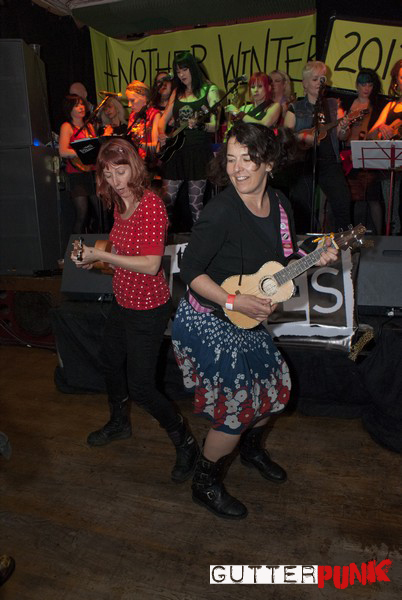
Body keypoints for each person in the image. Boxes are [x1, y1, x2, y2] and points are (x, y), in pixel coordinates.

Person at [171, 122, 338, 519]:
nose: (238, 169)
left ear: (269, 163)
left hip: (242, 318)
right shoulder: (220, 212)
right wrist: (234, 300)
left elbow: (281, 264)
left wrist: (316, 258)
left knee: (275, 390)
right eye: (231, 160)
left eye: (248, 159)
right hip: (207, 318)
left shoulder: (280, 205)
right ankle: (204, 483)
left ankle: (249, 450)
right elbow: (189, 272)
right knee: (238, 407)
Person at [70, 138, 199, 483]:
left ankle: (185, 441)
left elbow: (151, 264)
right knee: (111, 361)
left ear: (134, 168)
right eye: (108, 173)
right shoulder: (119, 204)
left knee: (141, 387)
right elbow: (121, 257)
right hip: (123, 301)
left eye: (121, 170)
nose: (115, 180)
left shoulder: (150, 204)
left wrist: (100, 254)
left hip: (148, 309)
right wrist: (95, 261)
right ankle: (119, 423)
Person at [284, 60, 352, 234]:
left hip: (329, 162)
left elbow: (342, 136)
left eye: (322, 79)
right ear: (305, 83)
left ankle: (345, 245)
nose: (319, 83)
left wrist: (344, 129)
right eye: (315, 79)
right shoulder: (295, 108)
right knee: (301, 207)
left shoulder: (333, 105)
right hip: (303, 163)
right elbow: (286, 137)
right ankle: (304, 244)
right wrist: (303, 137)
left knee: (342, 203)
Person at [158, 51, 220, 227]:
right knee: (166, 202)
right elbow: (163, 120)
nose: (181, 75)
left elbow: (215, 124)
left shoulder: (210, 90)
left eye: (184, 70)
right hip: (176, 152)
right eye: (178, 71)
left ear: (193, 68)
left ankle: (199, 240)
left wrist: (201, 125)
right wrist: (162, 134)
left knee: (195, 204)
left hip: (197, 151)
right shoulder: (177, 92)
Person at [341, 69, 385, 233]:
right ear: (357, 85)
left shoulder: (377, 106)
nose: (366, 88)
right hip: (347, 153)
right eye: (363, 84)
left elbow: (376, 132)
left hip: (367, 152)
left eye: (370, 85)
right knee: (349, 196)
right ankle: (349, 234)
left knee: (373, 197)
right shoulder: (348, 104)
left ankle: (380, 235)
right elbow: (341, 133)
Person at [59, 94, 101, 234]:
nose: (81, 107)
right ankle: (76, 244)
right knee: (82, 213)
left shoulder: (89, 126)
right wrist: (81, 152)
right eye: (76, 105)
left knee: (101, 211)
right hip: (76, 174)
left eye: (82, 104)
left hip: (92, 173)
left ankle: (100, 241)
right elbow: (63, 151)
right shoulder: (67, 126)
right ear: (69, 109)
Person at [368, 59, 402, 235]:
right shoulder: (390, 106)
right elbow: (370, 135)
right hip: (391, 168)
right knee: (392, 213)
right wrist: (382, 127)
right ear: (396, 82)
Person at [125, 80, 160, 163]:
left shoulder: (155, 115)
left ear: (144, 98)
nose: (129, 105)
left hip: (148, 162)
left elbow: (156, 147)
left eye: (132, 100)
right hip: (134, 160)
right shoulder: (133, 115)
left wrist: (139, 145)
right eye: (128, 101)